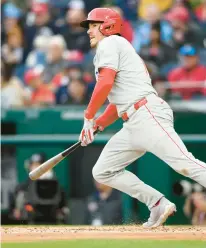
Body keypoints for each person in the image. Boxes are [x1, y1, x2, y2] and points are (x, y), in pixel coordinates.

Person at [78, 7, 206, 229]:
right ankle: (157, 203)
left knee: (184, 163)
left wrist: (89, 116)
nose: (89, 31)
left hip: (147, 113)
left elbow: (105, 83)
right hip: (133, 120)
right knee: (103, 171)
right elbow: (117, 103)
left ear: (107, 26)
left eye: (93, 25)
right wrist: (98, 123)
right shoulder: (115, 48)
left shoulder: (110, 43)